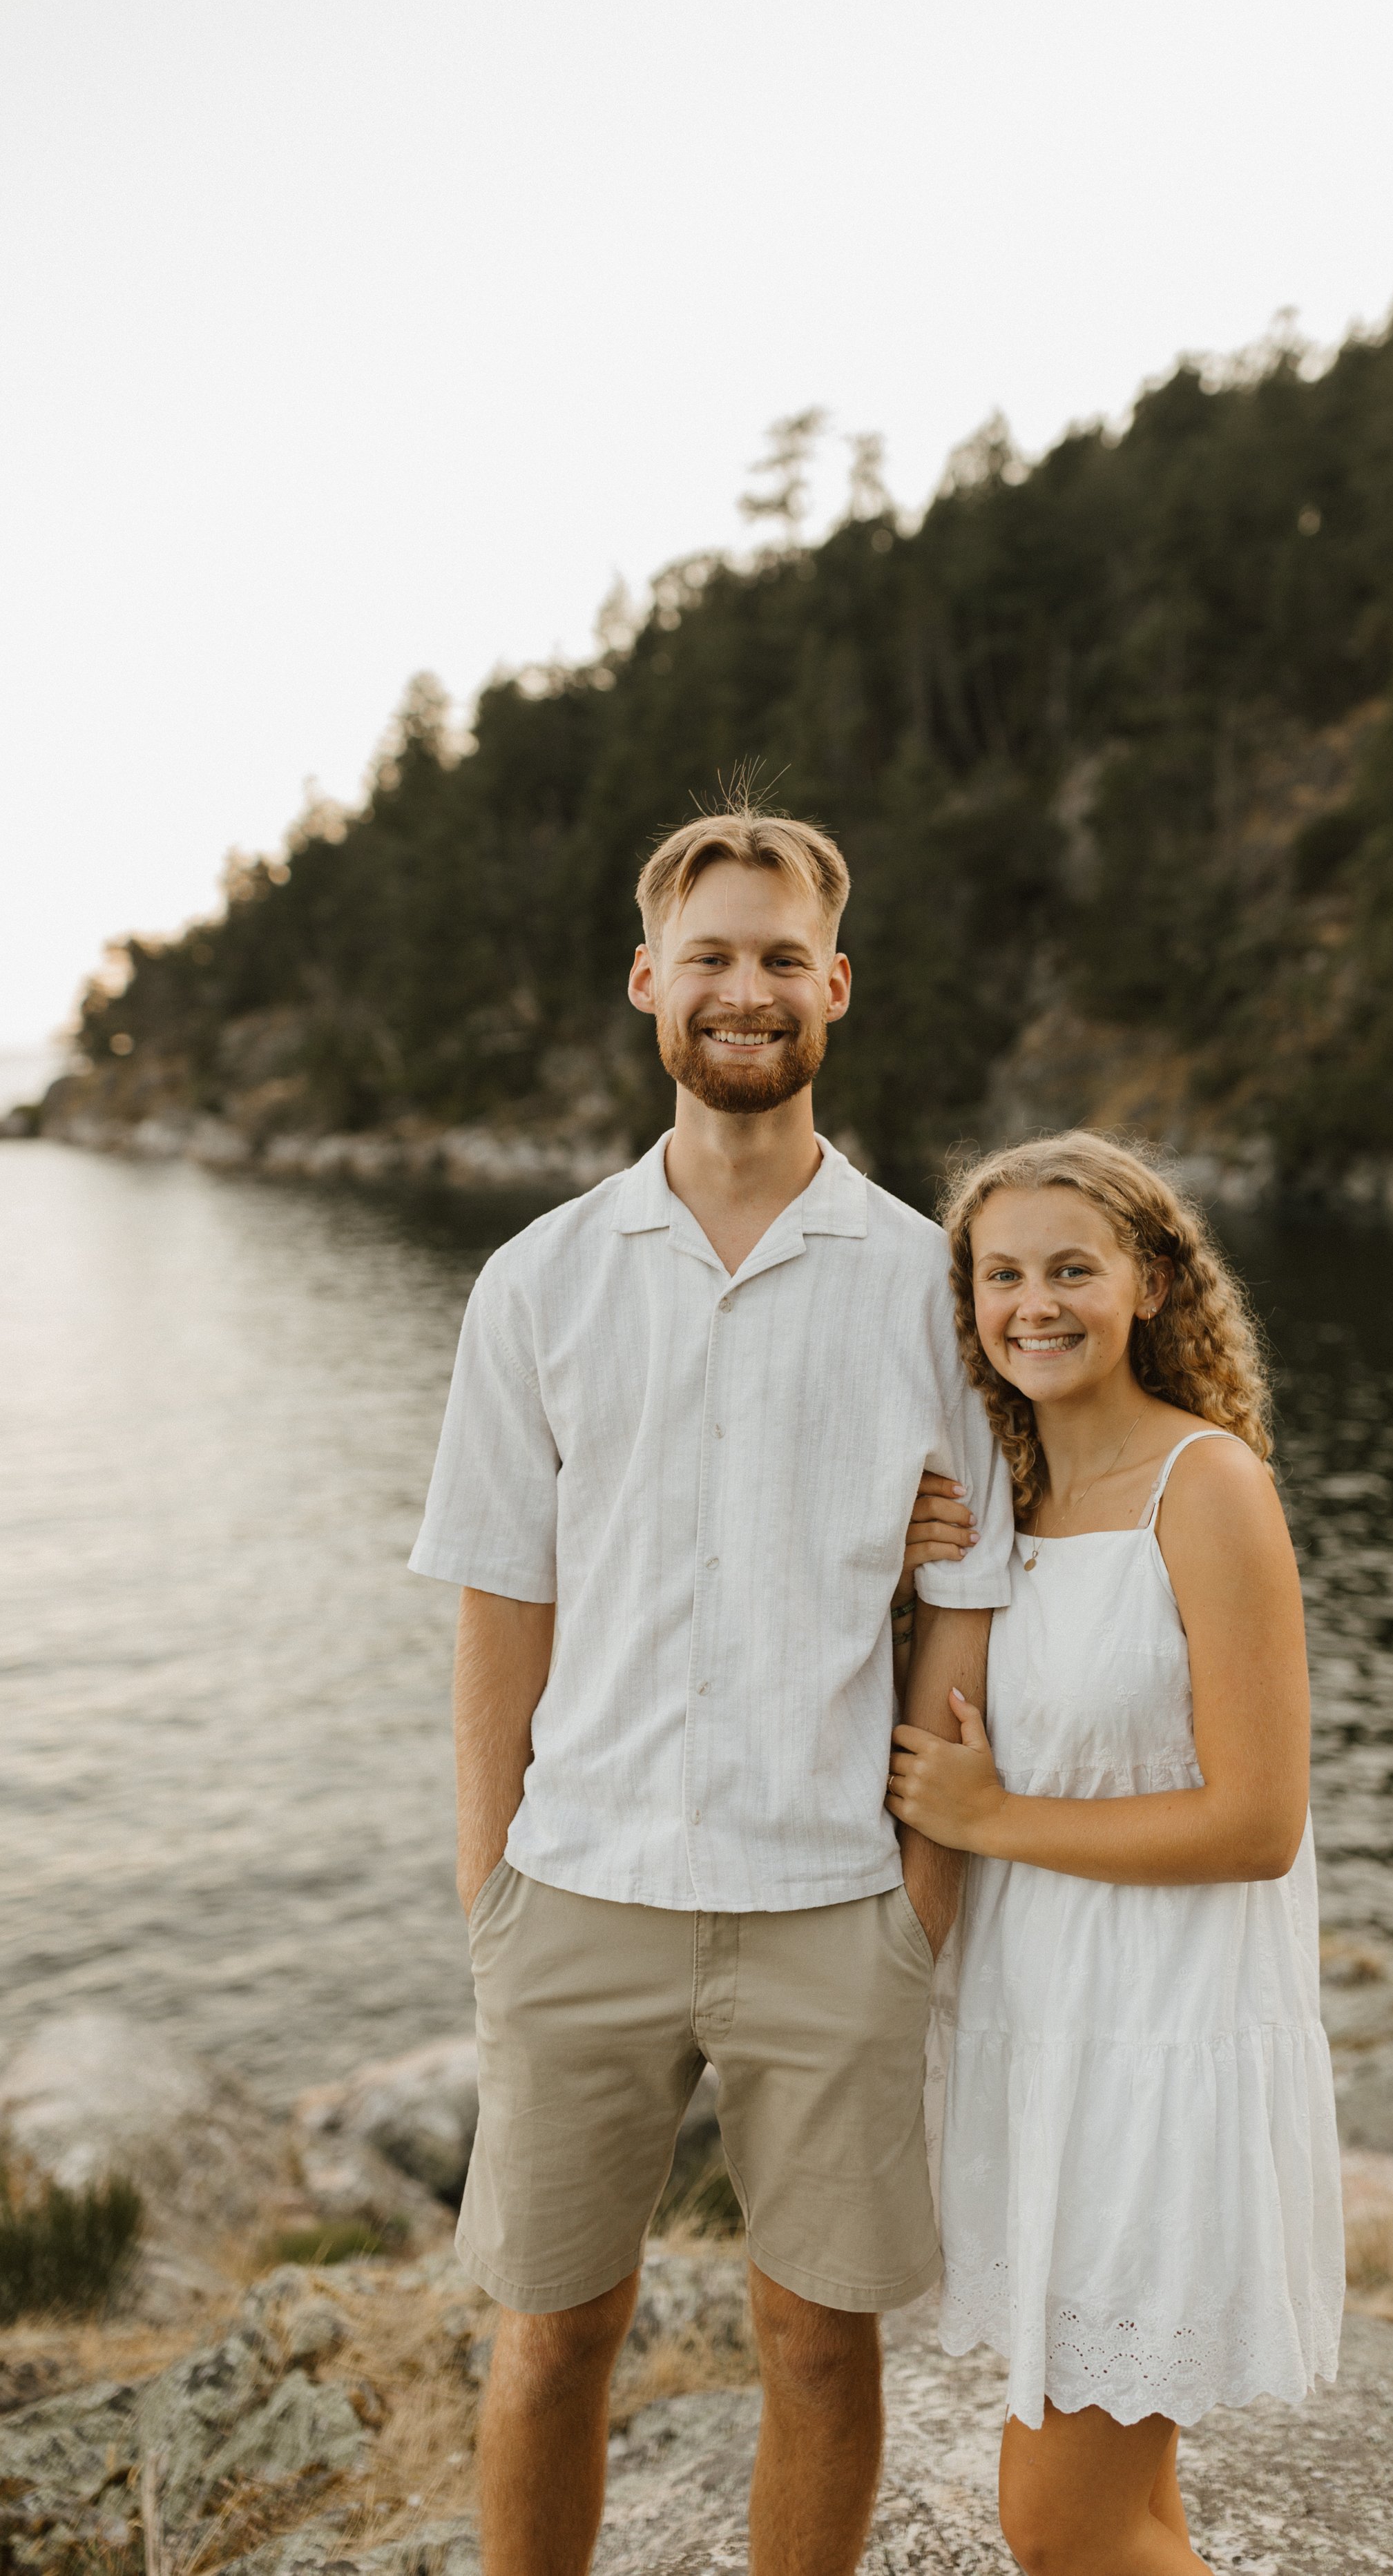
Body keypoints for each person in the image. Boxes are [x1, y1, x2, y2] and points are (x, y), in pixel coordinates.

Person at [407, 804, 1013, 2576]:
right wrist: (489, 1888)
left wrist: (917, 1898)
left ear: (833, 986)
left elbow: (965, 1604)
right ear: (645, 984)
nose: (741, 993)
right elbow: (498, 1605)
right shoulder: (539, 1283)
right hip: (576, 1889)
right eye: (708, 959)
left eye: (776, 960)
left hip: (831, 1904)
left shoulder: (927, 1284)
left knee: (819, 2348)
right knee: (546, 2341)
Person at [886, 1132, 1345, 2576]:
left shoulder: (1202, 1488)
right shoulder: (995, 1510)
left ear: (1149, 1284)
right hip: (1039, 2046)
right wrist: (892, 1571)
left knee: (1058, 2522)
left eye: (1070, 1269)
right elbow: (919, 1760)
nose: (1034, 1303)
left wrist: (996, 1821)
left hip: (1160, 2045)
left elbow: (1256, 1822)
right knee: (1131, 2510)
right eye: (1000, 1274)